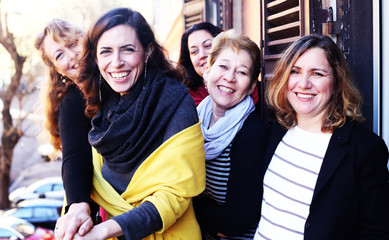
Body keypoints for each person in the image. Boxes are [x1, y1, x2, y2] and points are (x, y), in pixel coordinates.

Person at [56, 7, 205, 240]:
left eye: (127, 50)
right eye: (106, 52)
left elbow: (175, 197)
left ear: (147, 52)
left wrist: (105, 230)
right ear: (96, 57)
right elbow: (79, 165)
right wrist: (76, 210)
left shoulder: (176, 102)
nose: (116, 62)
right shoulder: (99, 103)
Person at [254, 34, 389, 240]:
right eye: (295, 71)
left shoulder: (364, 149)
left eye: (317, 74)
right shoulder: (278, 129)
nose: (304, 83)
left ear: (336, 82)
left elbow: (375, 231)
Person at [194, 30, 270, 239]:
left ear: (252, 86)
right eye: (223, 66)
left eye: (242, 72)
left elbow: (234, 222)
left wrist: (188, 201)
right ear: (208, 71)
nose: (229, 77)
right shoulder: (192, 120)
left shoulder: (253, 133)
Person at [34, 19, 97, 238]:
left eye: (72, 44)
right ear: (56, 69)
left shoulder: (118, 72)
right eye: (59, 55)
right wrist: (78, 206)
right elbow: (74, 157)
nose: (71, 56)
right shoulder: (72, 102)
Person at [178, 22, 259, 106]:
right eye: (194, 51)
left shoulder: (257, 93)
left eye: (208, 45)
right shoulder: (184, 99)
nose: (201, 55)